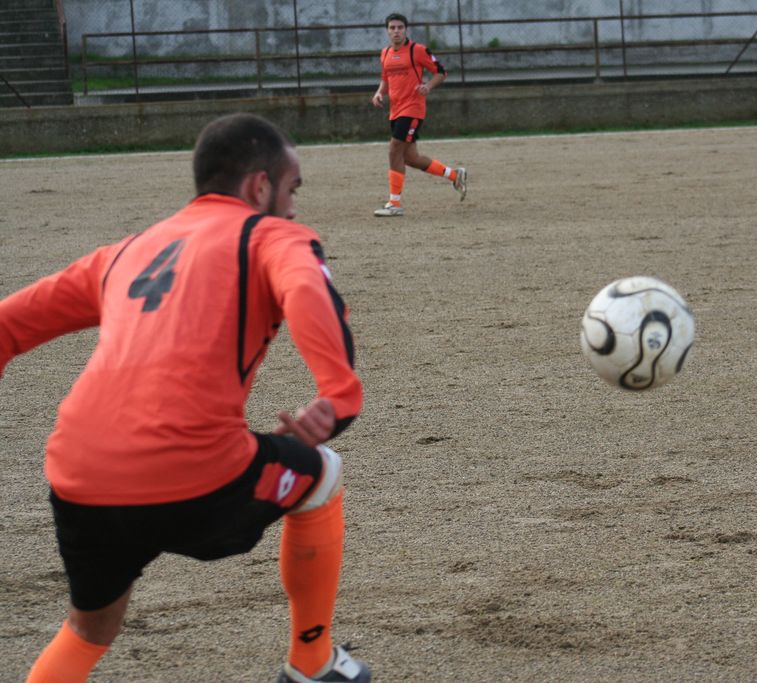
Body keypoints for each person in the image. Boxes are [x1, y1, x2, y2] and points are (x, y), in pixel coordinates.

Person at [1, 113, 371, 683]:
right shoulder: (270, 235)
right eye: (292, 189)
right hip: (192, 471)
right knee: (321, 475)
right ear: (260, 187)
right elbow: (306, 288)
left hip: (79, 475)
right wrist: (338, 395)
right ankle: (312, 663)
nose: (295, 208)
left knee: (88, 630)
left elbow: (8, 325)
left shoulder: (127, 251)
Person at [370, 12, 467, 217]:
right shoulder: (385, 53)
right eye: (392, 28)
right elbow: (386, 79)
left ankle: (394, 203)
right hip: (395, 111)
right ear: (387, 31)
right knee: (411, 158)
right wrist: (379, 93)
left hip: (413, 109)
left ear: (406, 30)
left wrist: (428, 86)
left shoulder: (418, 50)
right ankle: (454, 175)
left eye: (400, 27)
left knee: (394, 150)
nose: (396, 31)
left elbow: (441, 72)